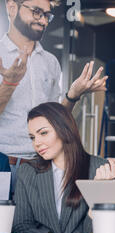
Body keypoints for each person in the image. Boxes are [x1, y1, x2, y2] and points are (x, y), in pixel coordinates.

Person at [1, 0, 108, 189]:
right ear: (12, 8)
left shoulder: (50, 62)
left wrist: (73, 95)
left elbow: (52, 121)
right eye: (36, 12)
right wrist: (10, 83)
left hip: (40, 166)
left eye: (47, 15)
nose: (42, 20)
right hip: (3, 165)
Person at [12, 102, 115, 233]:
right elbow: (21, 225)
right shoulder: (27, 171)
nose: (36, 143)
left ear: (64, 129)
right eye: (32, 137)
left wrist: (98, 197)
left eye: (43, 133)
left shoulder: (100, 169)